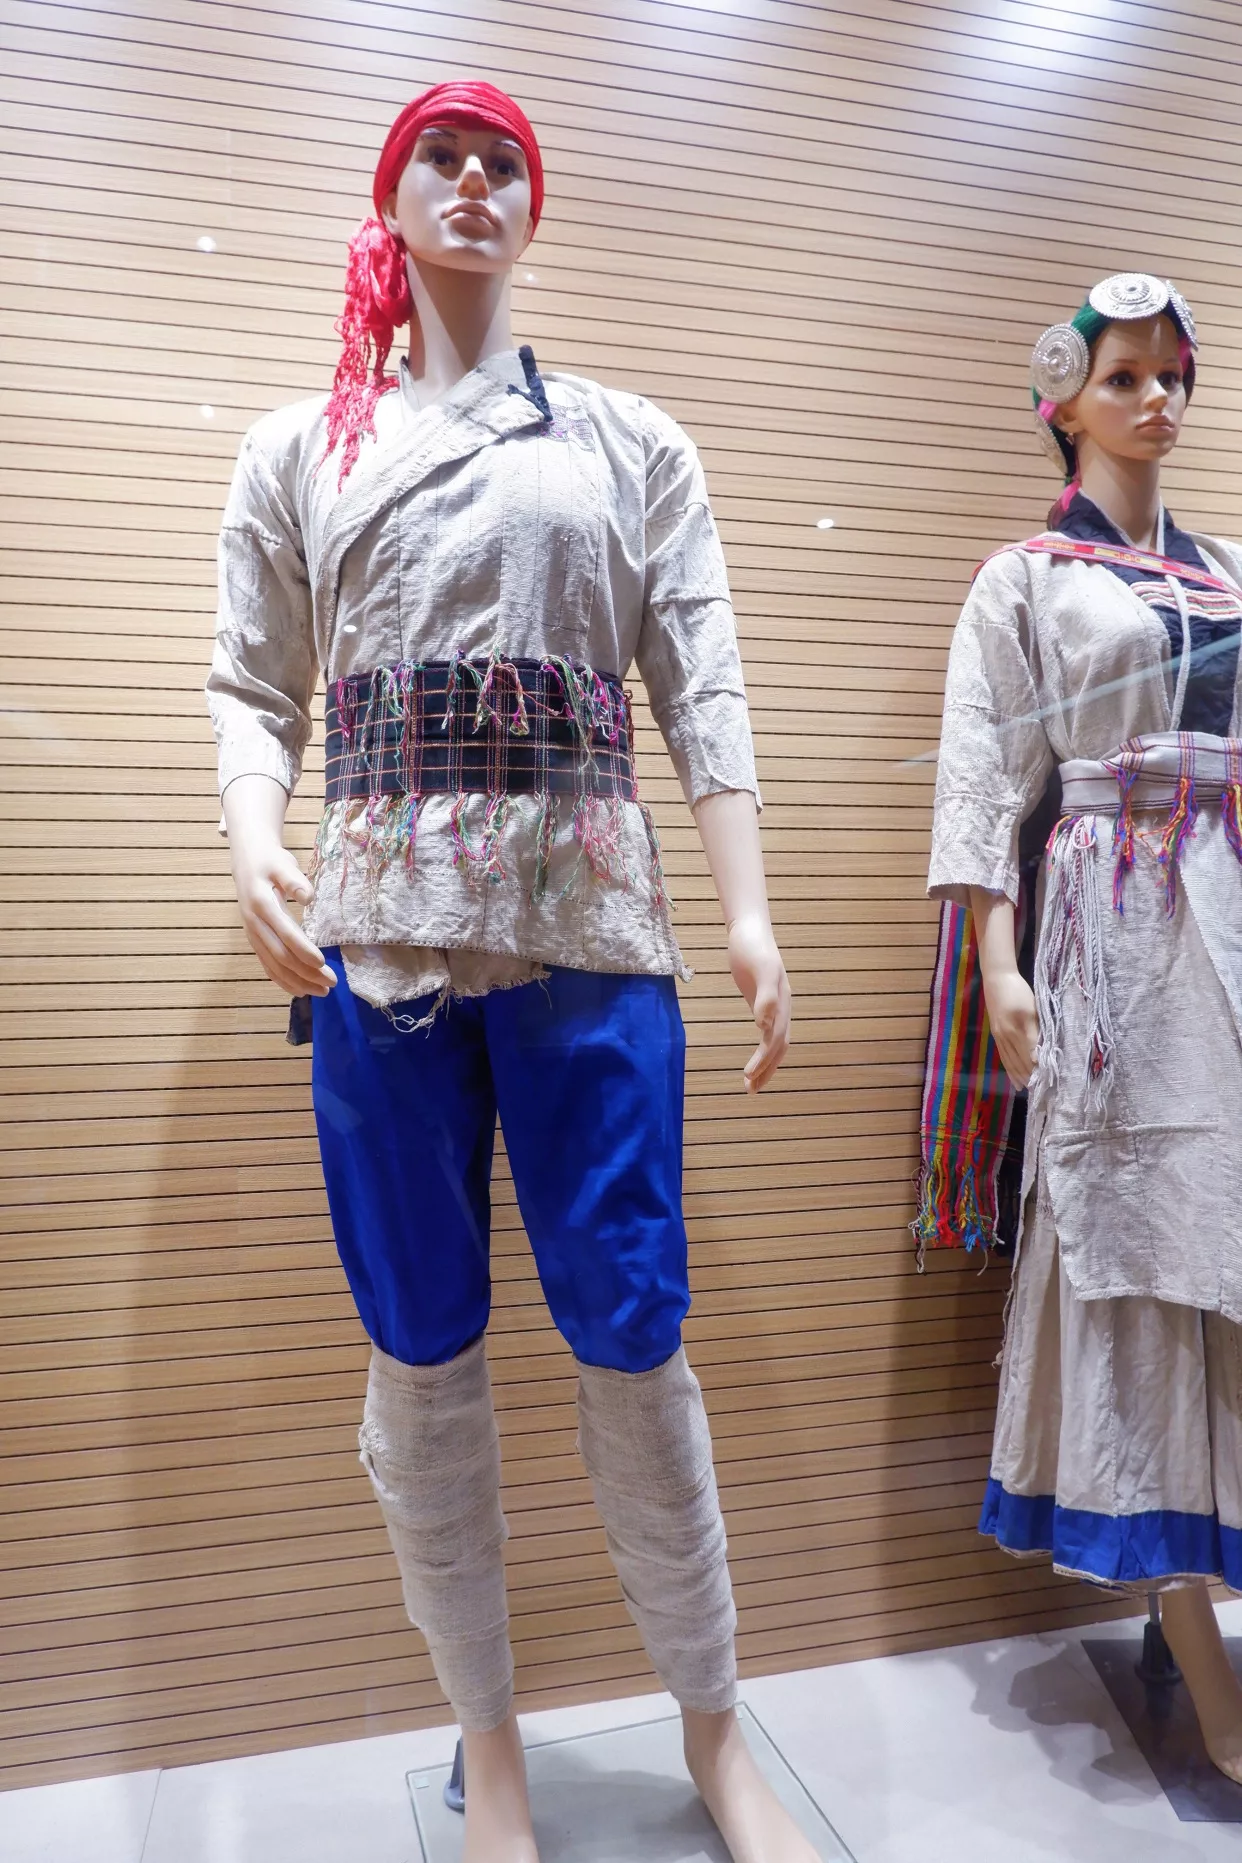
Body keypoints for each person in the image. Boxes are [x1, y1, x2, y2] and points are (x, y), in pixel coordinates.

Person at [207, 79, 816, 1863]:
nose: (473, 184)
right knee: (422, 1347)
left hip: (590, 937)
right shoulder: (299, 451)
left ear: (533, 206)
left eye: (503, 165)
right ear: (391, 197)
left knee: (633, 1330)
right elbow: (252, 682)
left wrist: (749, 910)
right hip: (378, 948)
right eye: (442, 159)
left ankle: (714, 1720)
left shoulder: (629, 444)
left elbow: (700, 680)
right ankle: (489, 1745)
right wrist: (249, 832)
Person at [929, 272, 1242, 1781]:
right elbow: (983, 781)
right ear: (1066, 399)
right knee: (1130, 1236)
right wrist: (999, 964)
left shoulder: (1229, 571)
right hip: (1107, 922)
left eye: (1171, 374)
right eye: (1124, 376)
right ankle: (1197, 1652)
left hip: (1228, 908)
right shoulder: (1024, 580)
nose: (1155, 400)